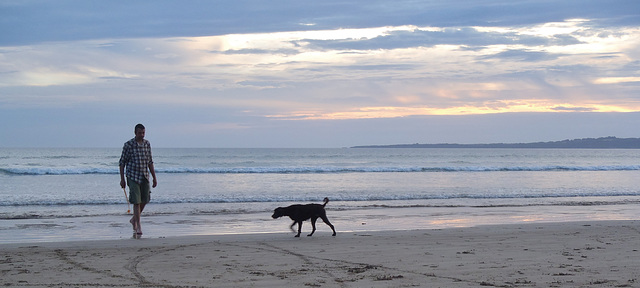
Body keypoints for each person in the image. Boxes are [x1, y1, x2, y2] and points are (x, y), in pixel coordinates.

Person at [119, 123, 157, 238]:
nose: (142, 135)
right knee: (136, 201)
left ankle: (134, 218)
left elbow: (150, 162)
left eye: (143, 133)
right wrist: (122, 179)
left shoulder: (147, 144)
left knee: (145, 199)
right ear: (135, 133)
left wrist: (154, 177)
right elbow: (122, 163)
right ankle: (138, 224)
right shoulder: (128, 145)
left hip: (144, 175)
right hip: (132, 176)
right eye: (140, 133)